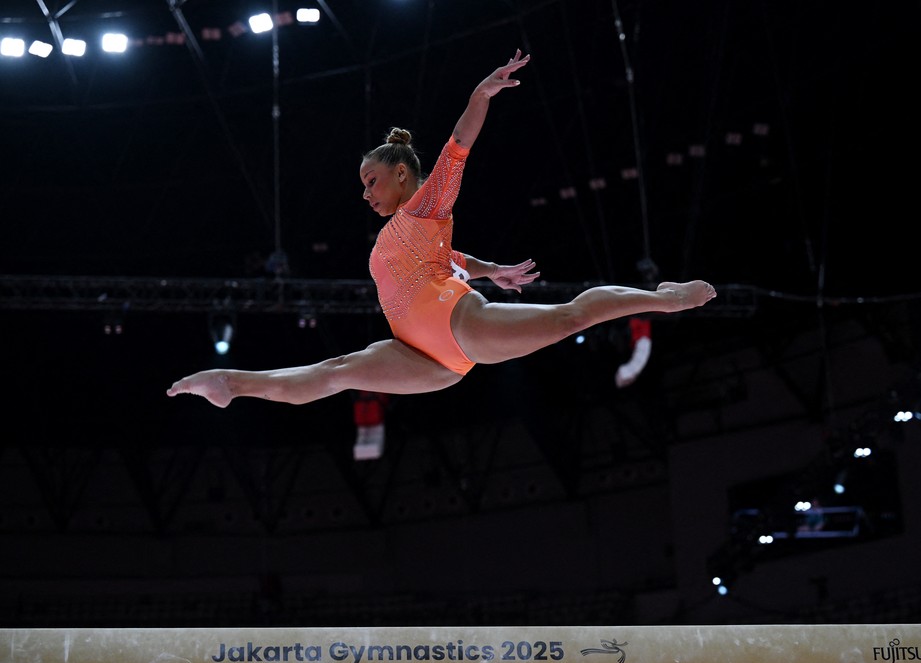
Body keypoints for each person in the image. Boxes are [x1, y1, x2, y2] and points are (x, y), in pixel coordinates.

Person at [167, 50, 716, 408]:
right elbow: (446, 255)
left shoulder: (424, 205)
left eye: (371, 180)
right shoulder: (408, 231)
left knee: (572, 314)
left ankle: (662, 298)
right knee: (335, 371)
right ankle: (230, 383)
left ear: (401, 173)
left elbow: (459, 145)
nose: (365, 193)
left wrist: (480, 96)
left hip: (456, 327)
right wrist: (489, 268)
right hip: (423, 357)